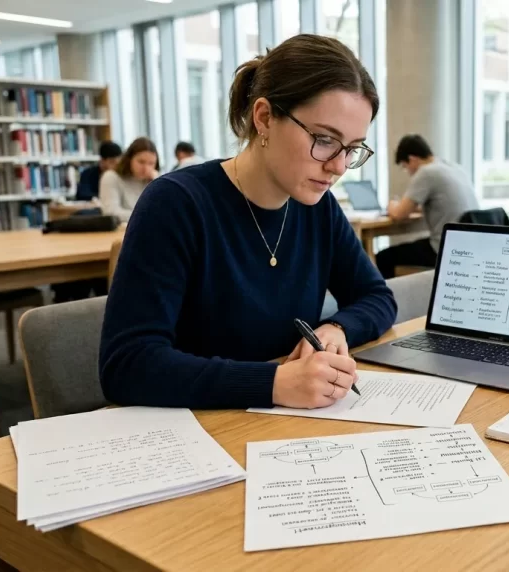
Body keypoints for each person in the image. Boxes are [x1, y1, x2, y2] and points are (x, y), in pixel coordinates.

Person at [99, 34, 397, 411]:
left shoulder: (317, 206)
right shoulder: (176, 203)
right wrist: (273, 383)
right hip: (194, 429)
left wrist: (337, 328)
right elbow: (126, 364)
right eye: (324, 140)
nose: (338, 166)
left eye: (352, 149)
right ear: (264, 118)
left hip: (281, 423)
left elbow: (377, 297)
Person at [377, 134, 479, 279]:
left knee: (384, 257)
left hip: (443, 249)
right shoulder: (452, 167)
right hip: (468, 246)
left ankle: (388, 301)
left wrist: (391, 204)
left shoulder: (426, 172)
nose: (408, 172)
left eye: (405, 167)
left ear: (412, 160)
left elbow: (399, 214)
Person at [99, 137, 159, 222]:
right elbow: (111, 213)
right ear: (129, 159)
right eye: (141, 162)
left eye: (151, 163)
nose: (146, 168)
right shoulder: (111, 177)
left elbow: (165, 212)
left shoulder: (153, 180)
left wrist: (156, 182)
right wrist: (148, 215)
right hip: (120, 233)